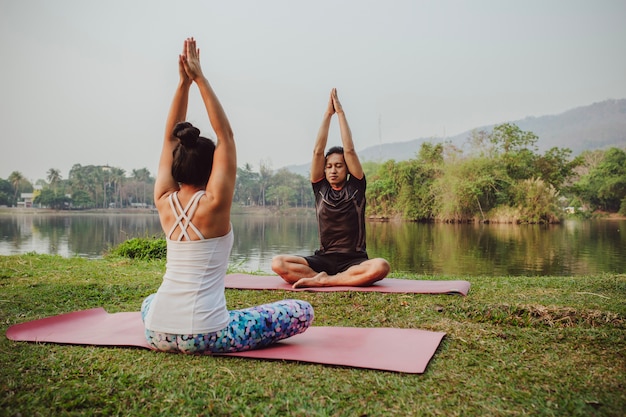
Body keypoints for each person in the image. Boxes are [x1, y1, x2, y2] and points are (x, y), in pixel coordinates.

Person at [141, 38, 313, 354]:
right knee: (302, 310)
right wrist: (200, 78)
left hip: (156, 332)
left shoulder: (163, 199)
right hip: (205, 335)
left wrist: (183, 84)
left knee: (150, 302)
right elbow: (226, 137)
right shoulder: (214, 204)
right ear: (212, 170)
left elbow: (168, 141)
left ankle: (167, 321)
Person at [271, 88, 390, 288]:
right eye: (329, 166)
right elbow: (318, 151)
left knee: (381, 266)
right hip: (324, 259)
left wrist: (341, 114)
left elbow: (349, 149)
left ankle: (326, 281)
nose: (333, 170)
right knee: (278, 263)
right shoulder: (320, 190)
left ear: (347, 168)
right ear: (324, 170)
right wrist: (327, 114)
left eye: (338, 165)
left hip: (354, 260)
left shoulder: (356, 187)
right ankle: (330, 278)